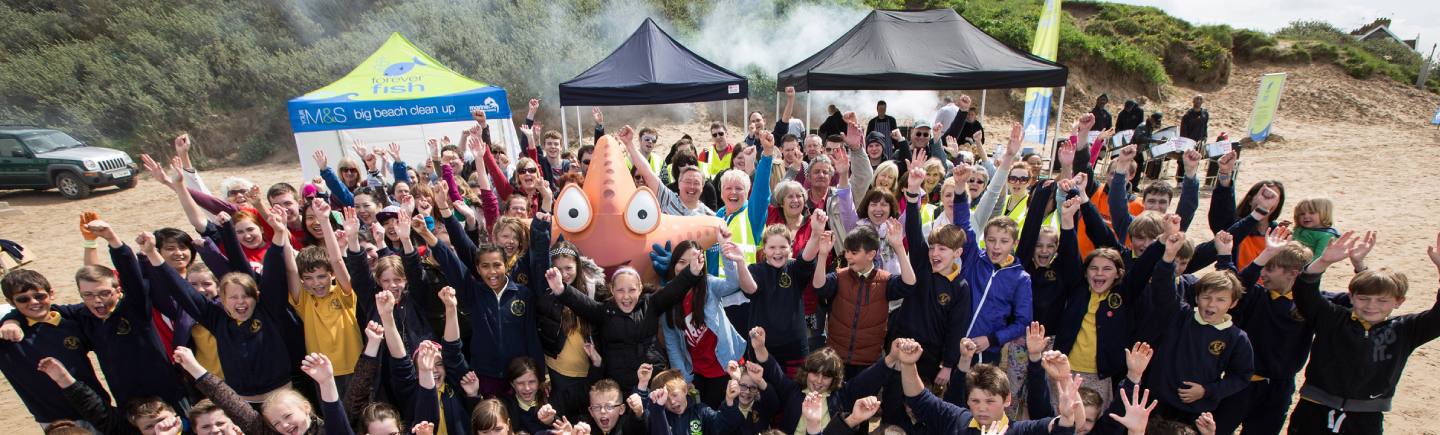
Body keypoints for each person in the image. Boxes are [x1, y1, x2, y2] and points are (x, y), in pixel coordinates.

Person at [1286, 231, 1440, 434]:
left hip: (1366, 418)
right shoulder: (1333, 318)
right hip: (1314, 409)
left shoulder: (1405, 329)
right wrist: (1323, 261)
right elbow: (1305, 294)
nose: (1371, 306)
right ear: (1351, 297)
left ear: (1398, 301)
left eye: (1382, 301)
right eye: (1363, 298)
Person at [1144, 215, 1254, 424]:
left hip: (1195, 412)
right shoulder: (1181, 315)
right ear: (1197, 298)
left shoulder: (1236, 337)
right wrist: (1168, 257)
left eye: (1220, 300)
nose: (1211, 305)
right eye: (1206, 297)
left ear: (1232, 304)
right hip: (1158, 405)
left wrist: (1207, 391)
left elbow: (1242, 376)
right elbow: (1162, 288)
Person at [893, 338, 1083, 434]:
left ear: (1007, 399)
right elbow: (918, 398)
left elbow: (1069, 426)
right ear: (967, 400)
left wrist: (1065, 380)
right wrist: (909, 364)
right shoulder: (956, 419)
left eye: (990, 401)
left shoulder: (1022, 430)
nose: (982, 408)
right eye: (975, 400)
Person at [0, 269, 108, 431]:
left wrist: (12, 318)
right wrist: (10, 321)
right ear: (11, 302)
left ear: (51, 293)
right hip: (55, 420)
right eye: (23, 299)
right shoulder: (7, 337)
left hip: (95, 407)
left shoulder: (71, 322)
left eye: (39, 296)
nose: (34, 302)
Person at [811, 221, 915, 376]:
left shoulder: (885, 281)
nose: (848, 256)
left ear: (871, 254)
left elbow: (909, 283)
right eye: (846, 252)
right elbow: (819, 286)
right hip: (836, 359)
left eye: (853, 253)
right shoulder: (840, 276)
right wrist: (823, 254)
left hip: (867, 363)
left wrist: (899, 247)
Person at [740, 214, 825, 376]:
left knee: (794, 395)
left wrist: (816, 233)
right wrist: (739, 262)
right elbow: (749, 289)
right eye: (772, 247)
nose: (777, 252)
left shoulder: (794, 268)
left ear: (790, 248)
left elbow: (807, 258)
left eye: (783, 247)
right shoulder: (755, 270)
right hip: (762, 348)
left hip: (794, 350)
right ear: (764, 249)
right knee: (765, 396)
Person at [642, 368, 743, 435]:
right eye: (666, 399)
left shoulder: (701, 411)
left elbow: (724, 426)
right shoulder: (657, 416)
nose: (672, 402)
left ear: (685, 390)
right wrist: (658, 409)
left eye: (675, 395)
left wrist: (729, 400)